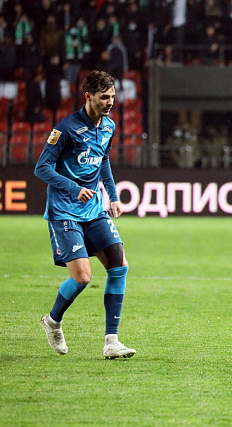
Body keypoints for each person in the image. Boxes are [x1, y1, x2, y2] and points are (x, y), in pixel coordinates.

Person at [34, 70, 135, 360]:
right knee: (82, 277)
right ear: (88, 96)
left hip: (93, 210)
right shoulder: (65, 129)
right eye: (104, 97)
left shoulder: (109, 126)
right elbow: (42, 168)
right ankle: (53, 321)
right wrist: (74, 187)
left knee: (119, 265)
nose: (110, 102)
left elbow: (103, 161)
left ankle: (111, 341)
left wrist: (112, 196)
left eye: (113, 96)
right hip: (64, 210)